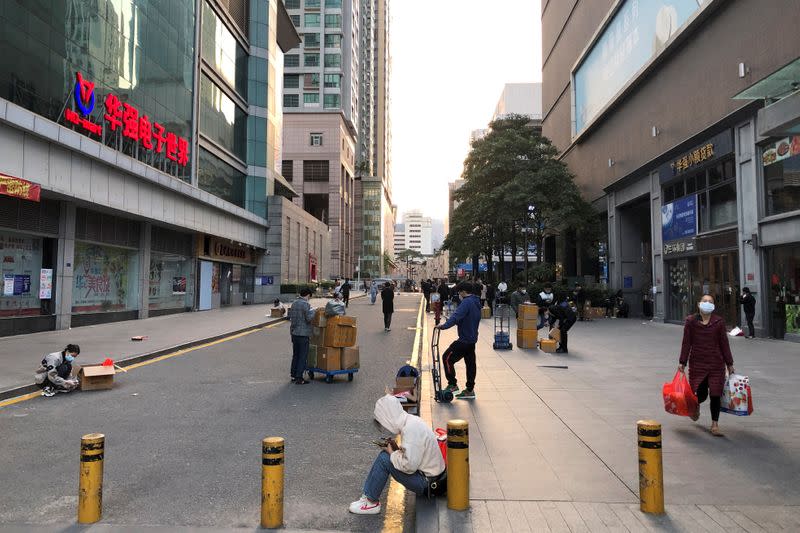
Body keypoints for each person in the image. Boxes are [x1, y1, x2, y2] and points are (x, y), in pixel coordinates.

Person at [349, 394, 446, 515]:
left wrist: (391, 452)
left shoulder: (410, 429)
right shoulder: (411, 421)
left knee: (384, 459)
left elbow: (409, 466)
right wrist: (396, 450)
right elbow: (415, 455)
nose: (384, 427)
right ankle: (368, 497)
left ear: (388, 417)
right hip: (432, 479)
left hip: (429, 484)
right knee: (385, 456)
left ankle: (371, 503)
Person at [678, 294, 735, 436]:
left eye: (710, 302)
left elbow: (724, 343)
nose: (707, 303)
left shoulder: (719, 322)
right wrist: (682, 362)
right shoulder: (691, 321)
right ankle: (696, 405)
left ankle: (715, 424)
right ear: (699, 304)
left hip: (716, 363)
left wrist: (729, 363)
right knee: (701, 393)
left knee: (715, 394)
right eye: (705, 301)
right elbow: (686, 343)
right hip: (698, 363)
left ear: (714, 306)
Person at [436, 281, 482, 399]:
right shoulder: (476, 302)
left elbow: (456, 316)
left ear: (463, 291)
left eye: (459, 292)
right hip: (472, 339)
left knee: (446, 358)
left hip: (464, 340)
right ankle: (469, 390)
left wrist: (443, 326)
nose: (459, 294)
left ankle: (452, 384)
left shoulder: (466, 302)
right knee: (470, 364)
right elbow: (469, 318)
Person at [288, 288, 316, 384]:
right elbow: (308, 318)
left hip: (294, 333)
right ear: (308, 295)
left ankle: (293, 375)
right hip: (303, 334)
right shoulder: (305, 304)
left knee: (295, 355)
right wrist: (313, 311)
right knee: (302, 355)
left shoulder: (294, 303)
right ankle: (299, 377)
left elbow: (290, 317)